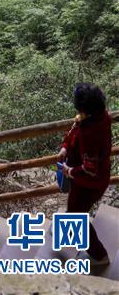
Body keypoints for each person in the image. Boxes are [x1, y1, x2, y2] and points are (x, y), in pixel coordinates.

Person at [58, 83, 112, 267]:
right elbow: (75, 129)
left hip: (89, 184)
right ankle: (66, 231)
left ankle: (99, 255)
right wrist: (65, 147)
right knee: (74, 207)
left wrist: (69, 171)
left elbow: (89, 169)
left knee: (76, 216)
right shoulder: (99, 116)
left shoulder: (91, 133)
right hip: (89, 180)